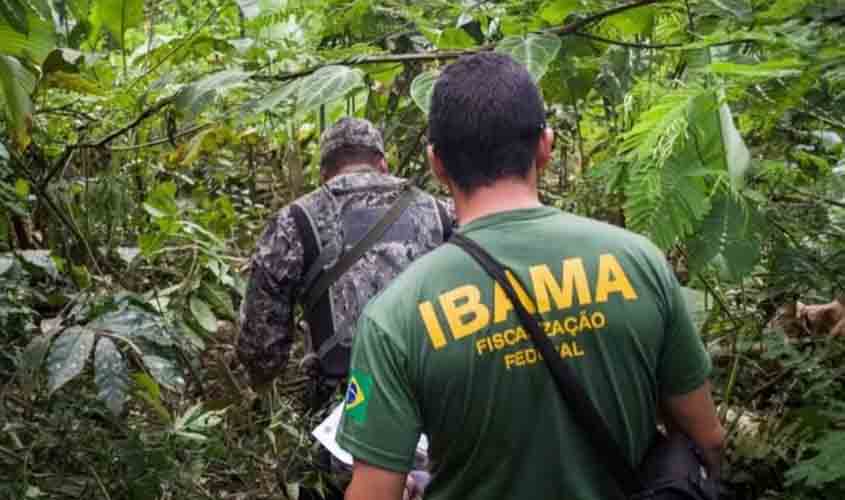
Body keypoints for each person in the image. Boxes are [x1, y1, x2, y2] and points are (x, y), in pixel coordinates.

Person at [337, 52, 724, 500]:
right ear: (546, 145)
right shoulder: (639, 261)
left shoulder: (395, 315)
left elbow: (374, 493)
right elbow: (706, 440)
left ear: (437, 163)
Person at [236, 117, 453, 494]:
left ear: (324, 173)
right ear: (382, 163)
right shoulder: (441, 212)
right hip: (438, 405)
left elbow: (260, 347)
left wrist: (264, 386)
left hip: (347, 415)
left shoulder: (295, 221)